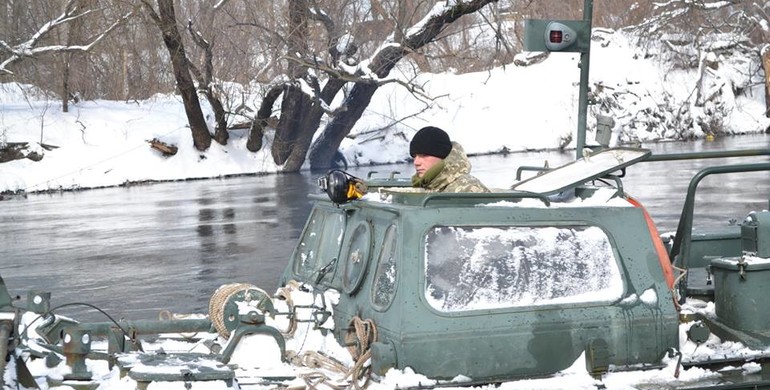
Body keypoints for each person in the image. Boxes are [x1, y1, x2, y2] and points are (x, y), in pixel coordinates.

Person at [409, 126, 489, 193]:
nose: (416, 162)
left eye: (424, 155)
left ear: (442, 156)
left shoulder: (468, 189)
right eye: (414, 156)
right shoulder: (429, 186)